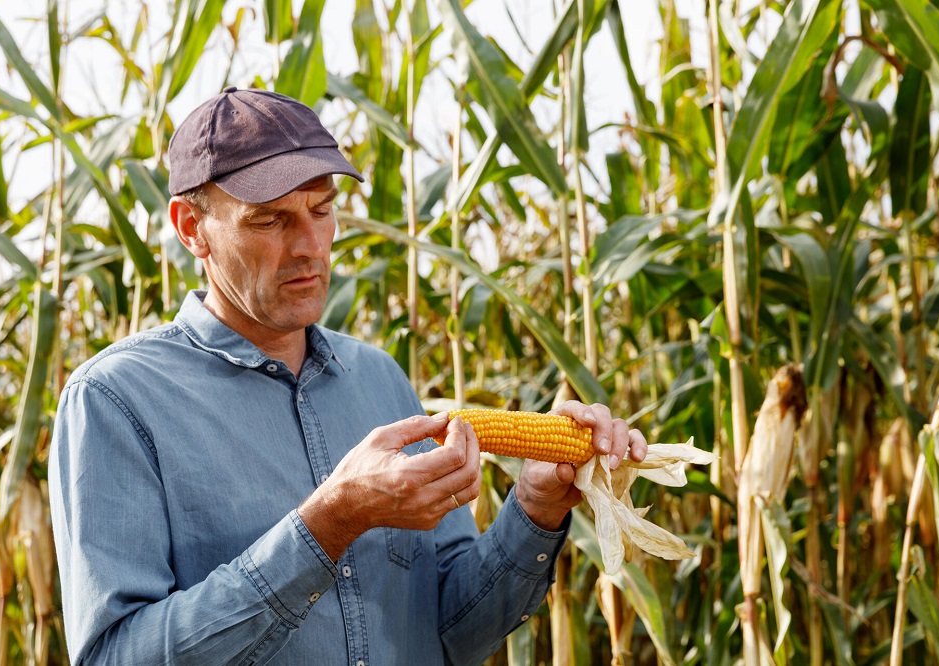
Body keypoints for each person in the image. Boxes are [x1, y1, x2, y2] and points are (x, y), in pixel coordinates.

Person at [49, 87, 648, 665]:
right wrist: (331, 521)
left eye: (323, 210)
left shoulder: (379, 379)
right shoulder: (115, 402)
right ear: (190, 227)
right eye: (269, 221)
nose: (310, 245)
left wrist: (535, 507)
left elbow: (453, 635)